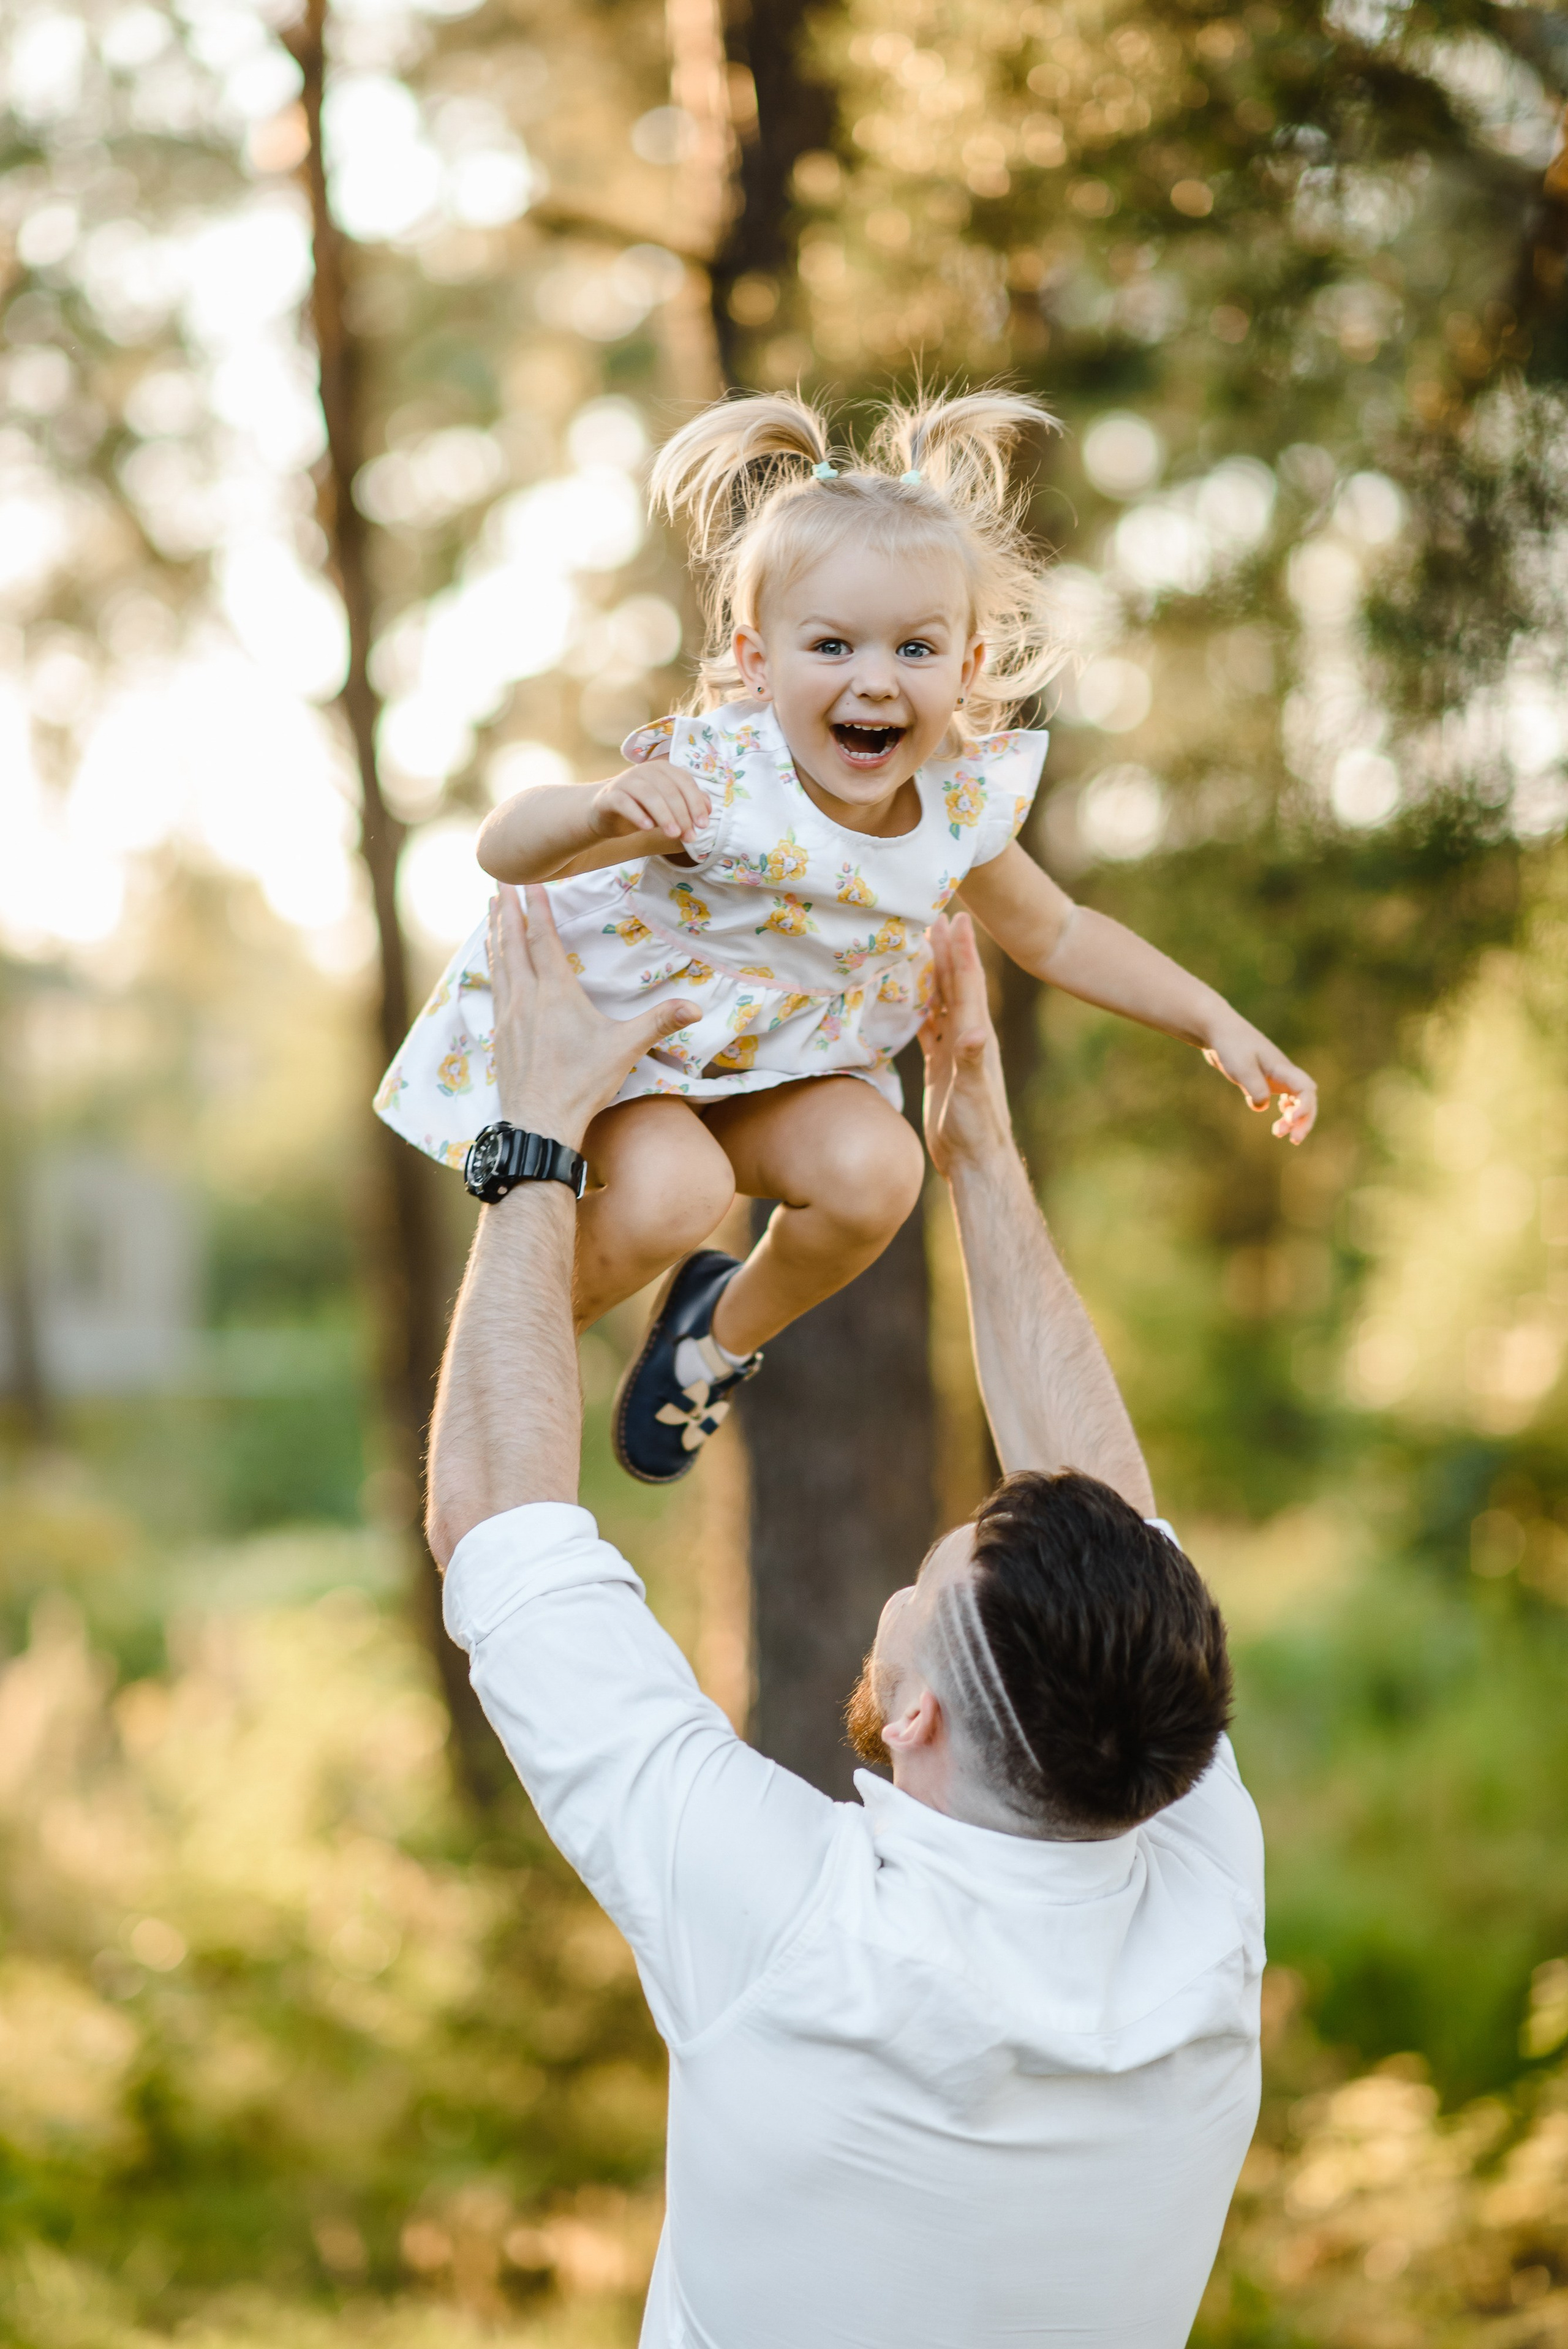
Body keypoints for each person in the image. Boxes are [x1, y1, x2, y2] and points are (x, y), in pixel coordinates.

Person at [426, 879, 1265, 2349]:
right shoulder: (1194, 1890)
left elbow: (495, 1524)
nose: (898, 1581)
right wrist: (979, 1155)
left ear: (917, 1711)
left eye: (922, 1580)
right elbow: (1108, 1517)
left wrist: (534, 1143)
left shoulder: (798, 1931)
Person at [380, 388, 1316, 1487]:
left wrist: (1212, 1017)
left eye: (914, 648)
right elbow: (503, 847)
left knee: (882, 1171)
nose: (875, 677)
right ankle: (510, 1346)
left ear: (965, 671)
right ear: (759, 661)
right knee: (676, 1195)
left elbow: (1059, 933)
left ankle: (712, 1340)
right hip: (630, 1056)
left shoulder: (958, 811)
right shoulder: (721, 777)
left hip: (780, 1066)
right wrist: (601, 809)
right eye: (833, 645)